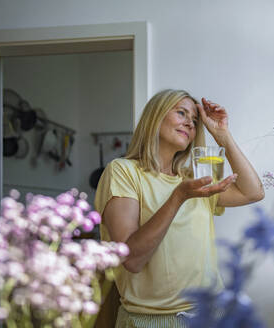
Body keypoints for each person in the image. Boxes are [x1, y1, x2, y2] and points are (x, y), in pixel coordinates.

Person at [94, 89, 265, 327]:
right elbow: (132, 259)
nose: (189, 123)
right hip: (151, 320)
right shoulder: (124, 172)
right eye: (181, 113)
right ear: (155, 116)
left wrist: (222, 135)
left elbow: (253, 191)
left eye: (194, 121)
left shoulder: (195, 179)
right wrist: (178, 197)